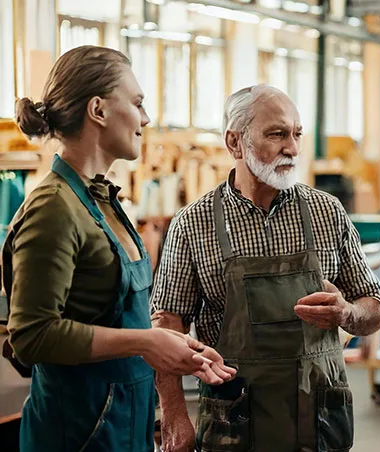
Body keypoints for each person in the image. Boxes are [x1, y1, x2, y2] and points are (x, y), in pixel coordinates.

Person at [1, 45, 235, 452]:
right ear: (99, 110)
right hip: (76, 428)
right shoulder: (54, 207)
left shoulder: (102, 200)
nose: (146, 118)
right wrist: (145, 342)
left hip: (123, 419)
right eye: (138, 103)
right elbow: (32, 336)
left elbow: (113, 314)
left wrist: (174, 346)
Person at [151, 84, 380, 452]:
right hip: (235, 424)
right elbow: (167, 325)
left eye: (296, 134)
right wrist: (174, 413)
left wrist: (347, 313)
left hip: (319, 421)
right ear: (235, 143)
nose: (291, 147)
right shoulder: (193, 224)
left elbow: (373, 307)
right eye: (276, 134)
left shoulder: (326, 212)